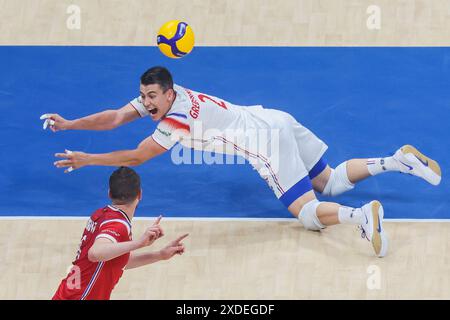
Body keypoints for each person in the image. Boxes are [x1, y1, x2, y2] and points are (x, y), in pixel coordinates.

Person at [41, 66, 441, 258]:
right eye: (142, 97)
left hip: (265, 141)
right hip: (275, 117)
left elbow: (139, 156)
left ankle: (361, 218)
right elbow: (115, 117)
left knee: (306, 212)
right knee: (331, 180)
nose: (145, 104)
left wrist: (87, 159)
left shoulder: (178, 120)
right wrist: (72, 123)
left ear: (168, 94)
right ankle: (397, 161)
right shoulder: (169, 98)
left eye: (151, 98)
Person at [52, 166, 188, 300]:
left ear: (109, 193)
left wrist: (159, 255)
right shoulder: (118, 224)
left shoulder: (101, 214)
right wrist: (138, 243)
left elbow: (115, 262)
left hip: (68, 294)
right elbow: (95, 253)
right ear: (140, 194)